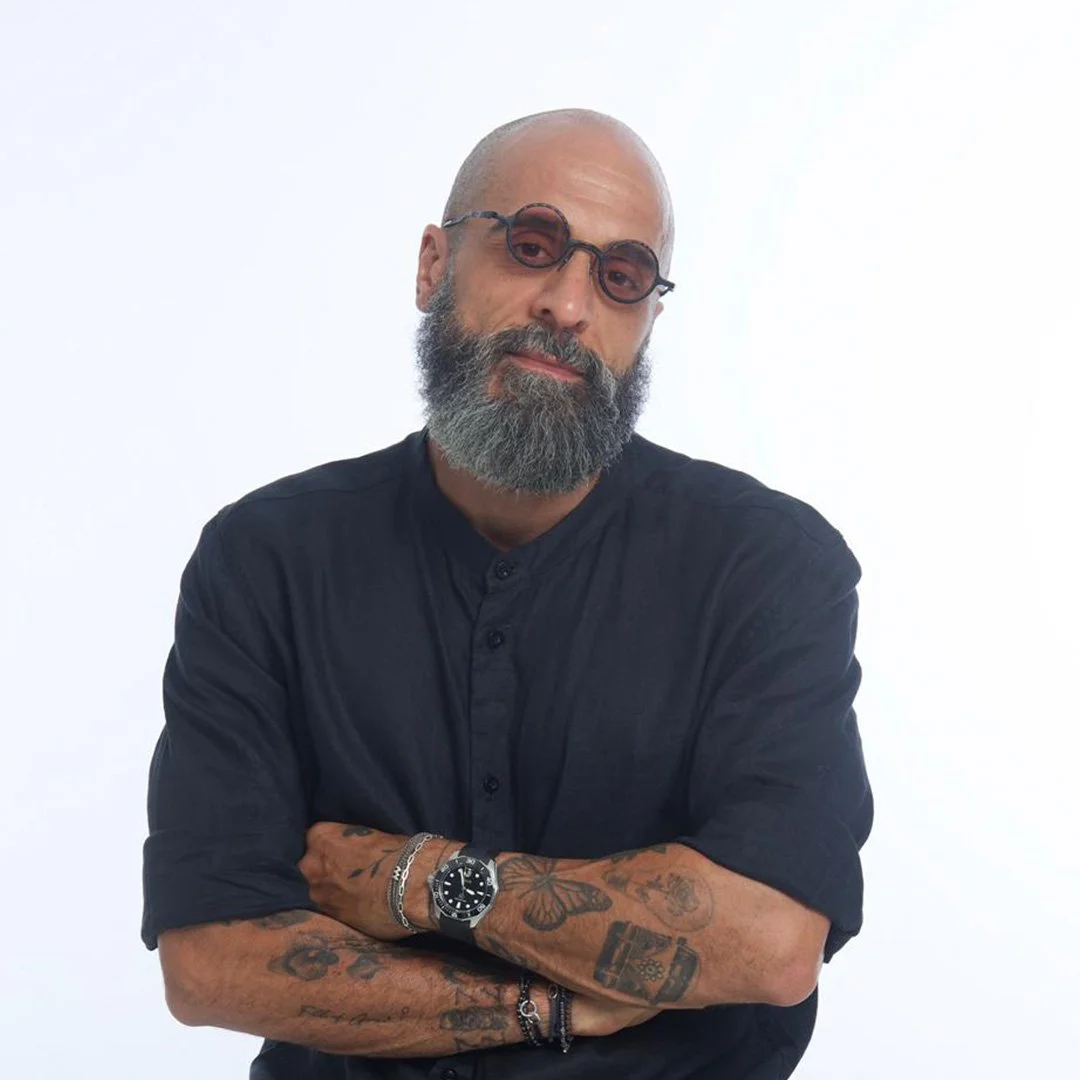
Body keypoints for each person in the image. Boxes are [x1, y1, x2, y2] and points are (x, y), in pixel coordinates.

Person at [142, 107, 873, 1079]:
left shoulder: (770, 566)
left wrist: (413, 881)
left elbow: (772, 941)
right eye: (533, 245)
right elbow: (213, 964)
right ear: (432, 266)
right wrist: (546, 1008)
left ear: (648, 317)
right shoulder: (267, 560)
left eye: (619, 277)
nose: (569, 306)